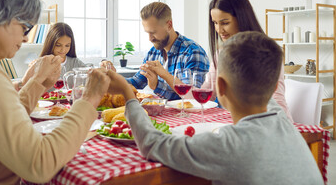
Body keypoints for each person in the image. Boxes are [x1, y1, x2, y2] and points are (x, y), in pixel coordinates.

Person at [106, 31, 323, 185]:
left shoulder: (227, 144)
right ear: (275, 85)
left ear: (219, 87)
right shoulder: (282, 119)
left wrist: (127, 93)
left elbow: (152, 144)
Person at [0, 0, 109, 184]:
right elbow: (40, 164)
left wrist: (36, 83)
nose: (25, 38)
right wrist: (89, 101)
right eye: (25, 28)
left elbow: (5, 123)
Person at [202, 0, 293, 121]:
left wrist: (279, 125)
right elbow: (207, 92)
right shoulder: (221, 53)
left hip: (269, 121)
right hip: (238, 122)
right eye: (215, 23)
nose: (219, 30)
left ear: (241, 18)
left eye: (225, 23)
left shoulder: (265, 51)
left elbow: (276, 97)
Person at [101, 2, 210, 100]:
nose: (150, 38)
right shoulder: (153, 53)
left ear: (169, 25)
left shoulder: (193, 52)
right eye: (147, 33)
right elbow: (136, 83)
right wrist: (112, 76)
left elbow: (194, 98)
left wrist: (159, 82)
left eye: (153, 32)